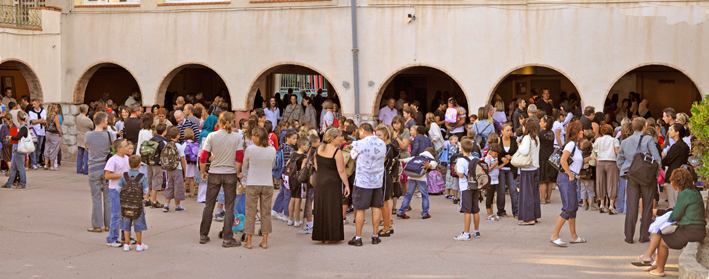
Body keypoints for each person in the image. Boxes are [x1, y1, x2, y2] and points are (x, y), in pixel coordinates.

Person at [631, 168, 706, 277]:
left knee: (662, 243)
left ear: (677, 183)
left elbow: (676, 215)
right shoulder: (695, 192)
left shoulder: (684, 194)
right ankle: (654, 261)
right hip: (697, 230)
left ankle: (659, 270)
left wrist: (663, 216)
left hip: (690, 231)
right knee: (660, 233)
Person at [199, 112, 244, 248]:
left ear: (220, 122)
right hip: (230, 173)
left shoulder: (212, 136)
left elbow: (203, 156)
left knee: (209, 205)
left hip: (214, 173)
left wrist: (202, 171)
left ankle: (203, 234)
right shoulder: (237, 137)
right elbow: (240, 156)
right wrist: (237, 171)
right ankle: (227, 237)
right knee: (229, 206)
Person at [618, 117, 661, 244]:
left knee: (631, 206)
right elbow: (657, 158)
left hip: (632, 175)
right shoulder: (648, 139)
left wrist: (626, 170)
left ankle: (629, 236)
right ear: (644, 127)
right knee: (647, 206)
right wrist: (656, 174)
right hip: (647, 176)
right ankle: (644, 235)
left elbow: (619, 159)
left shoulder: (625, 141)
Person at [348, 123, 386, 246]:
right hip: (377, 180)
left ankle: (358, 238)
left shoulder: (359, 144)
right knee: (376, 208)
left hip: (363, 180)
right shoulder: (382, 143)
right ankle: (375, 236)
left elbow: (352, 156)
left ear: (362, 130)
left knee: (360, 209)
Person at [550, 121, 587, 247]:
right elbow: (563, 160)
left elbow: (574, 162)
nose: (583, 132)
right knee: (568, 207)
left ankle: (573, 236)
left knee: (573, 208)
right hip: (567, 178)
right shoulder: (571, 144)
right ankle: (555, 235)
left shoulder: (573, 145)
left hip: (569, 178)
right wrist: (570, 175)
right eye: (581, 130)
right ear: (576, 132)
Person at [240, 126, 276, 249]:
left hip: (253, 182)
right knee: (265, 212)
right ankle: (265, 241)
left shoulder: (250, 149)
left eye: (254, 135)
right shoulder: (272, 150)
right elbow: (272, 166)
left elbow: (245, 164)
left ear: (258, 137)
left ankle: (249, 241)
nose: (252, 137)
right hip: (267, 183)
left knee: (250, 211)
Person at [312, 127, 348, 243]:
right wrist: (346, 185)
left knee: (320, 207)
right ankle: (330, 236)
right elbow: (341, 171)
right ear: (332, 139)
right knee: (331, 208)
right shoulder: (337, 152)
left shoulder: (319, 149)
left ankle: (321, 236)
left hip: (319, 180)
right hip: (332, 183)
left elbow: (316, 165)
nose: (341, 138)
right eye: (339, 136)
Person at [84, 112, 112, 232]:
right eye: (106, 121)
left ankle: (97, 225)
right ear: (102, 122)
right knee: (108, 197)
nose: (107, 123)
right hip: (107, 168)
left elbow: (87, 148)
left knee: (96, 197)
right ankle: (108, 224)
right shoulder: (110, 135)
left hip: (94, 167)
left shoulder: (88, 135)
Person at [104, 139, 133, 248]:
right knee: (116, 215)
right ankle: (111, 239)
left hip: (126, 190)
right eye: (126, 146)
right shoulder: (113, 160)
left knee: (126, 215)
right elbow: (107, 175)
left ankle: (126, 237)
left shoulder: (127, 159)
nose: (128, 148)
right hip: (115, 190)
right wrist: (122, 175)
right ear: (119, 149)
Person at [118, 155, 150, 252]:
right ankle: (139, 244)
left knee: (126, 223)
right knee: (138, 224)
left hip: (126, 204)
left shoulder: (124, 176)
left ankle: (127, 244)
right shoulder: (141, 176)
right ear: (140, 165)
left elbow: (118, 189)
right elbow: (145, 190)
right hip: (137, 205)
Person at [453, 139, 483, 240]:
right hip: (475, 186)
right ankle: (476, 231)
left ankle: (466, 233)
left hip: (465, 187)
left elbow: (461, 175)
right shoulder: (475, 158)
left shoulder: (460, 160)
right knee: (475, 209)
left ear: (462, 148)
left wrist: (456, 168)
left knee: (467, 210)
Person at [375, 124, 398, 237]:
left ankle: (386, 228)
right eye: (376, 135)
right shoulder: (387, 146)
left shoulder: (387, 147)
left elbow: (381, 161)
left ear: (386, 136)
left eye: (379, 135)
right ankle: (389, 225)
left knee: (383, 203)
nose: (377, 137)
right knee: (384, 202)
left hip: (384, 175)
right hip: (384, 175)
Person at [517, 120, 541, 226]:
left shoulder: (527, 138)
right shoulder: (536, 137)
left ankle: (528, 218)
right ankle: (534, 215)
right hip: (535, 167)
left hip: (527, 169)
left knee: (526, 194)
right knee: (534, 193)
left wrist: (519, 145)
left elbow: (525, 151)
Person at [661, 123, 690, 208]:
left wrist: (662, 159)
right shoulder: (684, 146)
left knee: (674, 203)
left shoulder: (677, 146)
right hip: (680, 175)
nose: (669, 131)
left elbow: (666, 161)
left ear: (677, 133)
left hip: (673, 176)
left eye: (671, 130)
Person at [594, 124, 620, 214]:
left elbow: (594, 150)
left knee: (600, 182)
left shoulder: (598, 140)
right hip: (611, 162)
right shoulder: (614, 140)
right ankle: (611, 205)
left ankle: (601, 204)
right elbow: (617, 152)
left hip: (600, 162)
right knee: (612, 183)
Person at [162, 127, 187, 213]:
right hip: (178, 168)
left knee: (170, 186)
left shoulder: (167, 145)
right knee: (178, 187)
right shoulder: (179, 146)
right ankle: (177, 206)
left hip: (169, 169)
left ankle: (166, 205)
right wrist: (185, 172)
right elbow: (182, 160)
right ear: (178, 136)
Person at [286, 137, 309, 228]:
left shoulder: (293, 154)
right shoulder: (303, 157)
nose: (308, 147)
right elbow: (303, 170)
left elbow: (287, 164)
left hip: (291, 179)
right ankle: (297, 220)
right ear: (302, 146)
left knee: (292, 199)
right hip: (299, 180)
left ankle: (290, 219)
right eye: (307, 145)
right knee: (298, 200)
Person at [497, 123, 518, 218]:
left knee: (513, 190)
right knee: (501, 191)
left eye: (510, 130)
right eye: (507, 130)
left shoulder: (514, 140)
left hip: (511, 168)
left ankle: (516, 212)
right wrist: (501, 158)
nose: (509, 132)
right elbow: (494, 153)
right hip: (501, 168)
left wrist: (512, 157)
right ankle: (501, 211)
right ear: (502, 131)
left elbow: (518, 153)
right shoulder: (498, 140)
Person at [391, 115, 411, 212]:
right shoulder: (391, 131)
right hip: (395, 158)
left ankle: (407, 203)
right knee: (395, 182)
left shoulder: (405, 131)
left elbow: (404, 146)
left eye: (398, 123)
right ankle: (394, 206)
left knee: (405, 182)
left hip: (404, 158)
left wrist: (396, 138)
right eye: (394, 123)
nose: (396, 125)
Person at [4, 111, 28, 189]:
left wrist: (11, 137)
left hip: (20, 150)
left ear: (18, 118)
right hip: (16, 149)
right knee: (14, 167)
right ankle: (9, 183)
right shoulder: (22, 127)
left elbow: (18, 137)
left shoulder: (23, 128)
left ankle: (22, 184)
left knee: (20, 168)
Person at [145, 124, 167, 209]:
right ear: (165, 132)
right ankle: (154, 201)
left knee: (149, 179)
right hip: (157, 163)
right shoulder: (163, 141)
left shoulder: (152, 139)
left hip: (149, 162)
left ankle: (146, 199)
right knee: (156, 180)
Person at [538, 116, 557, 204]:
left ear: (545, 123)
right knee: (549, 179)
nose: (539, 123)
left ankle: (542, 199)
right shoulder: (551, 133)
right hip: (550, 156)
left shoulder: (541, 134)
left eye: (541, 121)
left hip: (542, 157)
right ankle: (548, 198)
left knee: (543, 179)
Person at [484, 144, 503, 222]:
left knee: (492, 196)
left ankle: (492, 213)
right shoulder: (488, 158)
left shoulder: (495, 158)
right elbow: (487, 170)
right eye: (495, 153)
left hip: (495, 179)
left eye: (497, 154)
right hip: (489, 180)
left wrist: (503, 164)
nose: (496, 155)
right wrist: (495, 163)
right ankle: (488, 214)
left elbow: (497, 168)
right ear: (491, 151)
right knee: (489, 197)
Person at [27, 99, 46, 170]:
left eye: (35, 104)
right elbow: (33, 122)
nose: (33, 105)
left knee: (39, 148)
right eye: (33, 104)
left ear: (38, 103)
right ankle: (33, 163)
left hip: (41, 131)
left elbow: (45, 120)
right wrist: (40, 120)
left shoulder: (43, 111)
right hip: (34, 131)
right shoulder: (31, 112)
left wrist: (38, 121)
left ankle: (37, 162)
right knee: (34, 148)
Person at [43, 104, 62, 171]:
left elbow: (47, 125)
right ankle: (52, 166)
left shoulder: (48, 116)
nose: (57, 109)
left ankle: (45, 164)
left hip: (48, 133)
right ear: (53, 109)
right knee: (54, 149)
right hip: (54, 134)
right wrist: (60, 134)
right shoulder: (55, 116)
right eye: (56, 108)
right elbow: (58, 127)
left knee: (47, 148)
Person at [76, 104, 93, 175]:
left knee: (80, 154)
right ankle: (86, 170)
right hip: (86, 137)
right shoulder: (87, 119)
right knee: (86, 155)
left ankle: (79, 169)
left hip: (79, 136)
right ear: (86, 111)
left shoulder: (77, 117)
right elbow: (92, 126)